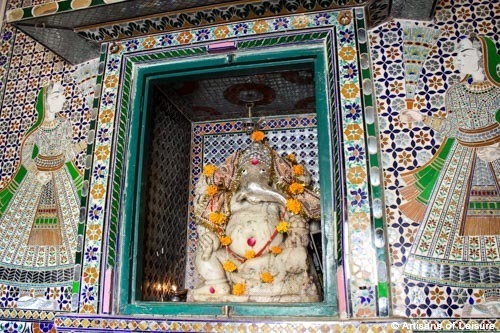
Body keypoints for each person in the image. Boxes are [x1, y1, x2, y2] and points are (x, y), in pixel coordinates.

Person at [400, 35, 499, 287]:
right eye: (456, 54)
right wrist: (421, 117)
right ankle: (480, 291)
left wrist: (497, 148)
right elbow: (452, 127)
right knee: (457, 224)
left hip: (492, 155)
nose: (457, 59)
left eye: (464, 53)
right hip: (462, 158)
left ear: (482, 56)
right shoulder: (455, 92)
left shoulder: (498, 91)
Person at [0, 82, 84, 309]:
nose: (62, 99)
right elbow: (27, 157)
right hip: (37, 182)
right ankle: (25, 291)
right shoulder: (35, 132)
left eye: (63, 95)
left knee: (62, 234)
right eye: (57, 95)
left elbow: (66, 154)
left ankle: (62, 294)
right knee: (27, 234)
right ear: (45, 101)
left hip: (59, 180)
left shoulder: (65, 125)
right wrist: (37, 173)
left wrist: (86, 143)